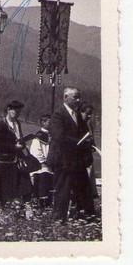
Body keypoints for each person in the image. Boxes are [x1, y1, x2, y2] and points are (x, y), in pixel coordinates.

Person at [47, 87, 96, 222]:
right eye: (75, 97)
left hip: (76, 161)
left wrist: (87, 140)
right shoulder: (58, 115)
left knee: (85, 189)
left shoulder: (77, 115)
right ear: (65, 97)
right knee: (63, 190)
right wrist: (79, 142)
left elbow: (82, 131)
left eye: (79, 97)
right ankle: (59, 220)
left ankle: (87, 217)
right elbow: (59, 137)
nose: (78, 100)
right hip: (62, 161)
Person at [0, 100, 29, 211]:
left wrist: (22, 144)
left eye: (19, 112)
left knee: (16, 181)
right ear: (8, 110)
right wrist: (14, 147)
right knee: (1, 182)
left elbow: (19, 136)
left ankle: (15, 203)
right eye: (15, 111)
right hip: (4, 158)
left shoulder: (17, 123)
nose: (17, 114)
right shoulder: (1, 125)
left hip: (16, 158)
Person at [30, 114, 54, 208]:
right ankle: (41, 205)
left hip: (51, 167)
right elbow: (36, 153)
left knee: (50, 189)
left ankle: (48, 205)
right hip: (42, 167)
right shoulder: (38, 136)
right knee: (42, 188)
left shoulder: (52, 135)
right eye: (49, 121)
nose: (51, 123)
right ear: (43, 123)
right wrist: (45, 162)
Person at [79, 103, 99, 199]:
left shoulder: (88, 125)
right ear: (81, 112)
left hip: (87, 158)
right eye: (87, 113)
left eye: (91, 114)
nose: (89, 116)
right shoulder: (77, 125)